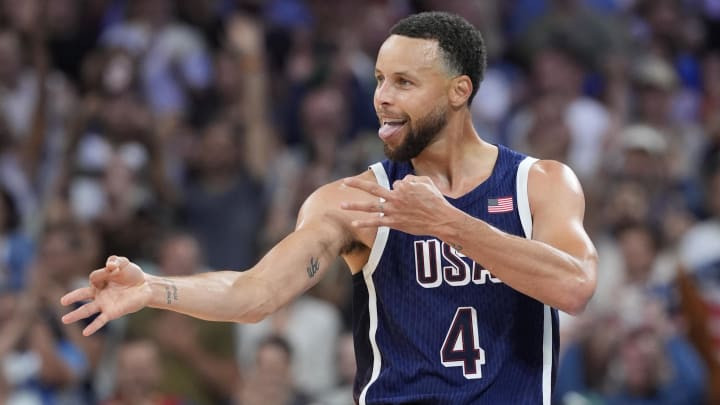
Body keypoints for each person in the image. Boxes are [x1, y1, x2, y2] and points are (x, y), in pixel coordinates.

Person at [60, 11, 598, 404]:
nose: (382, 98)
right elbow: (255, 293)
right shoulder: (352, 201)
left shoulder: (539, 183)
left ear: (460, 91)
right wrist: (156, 288)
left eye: (404, 82)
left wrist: (449, 224)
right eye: (379, 80)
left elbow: (573, 287)